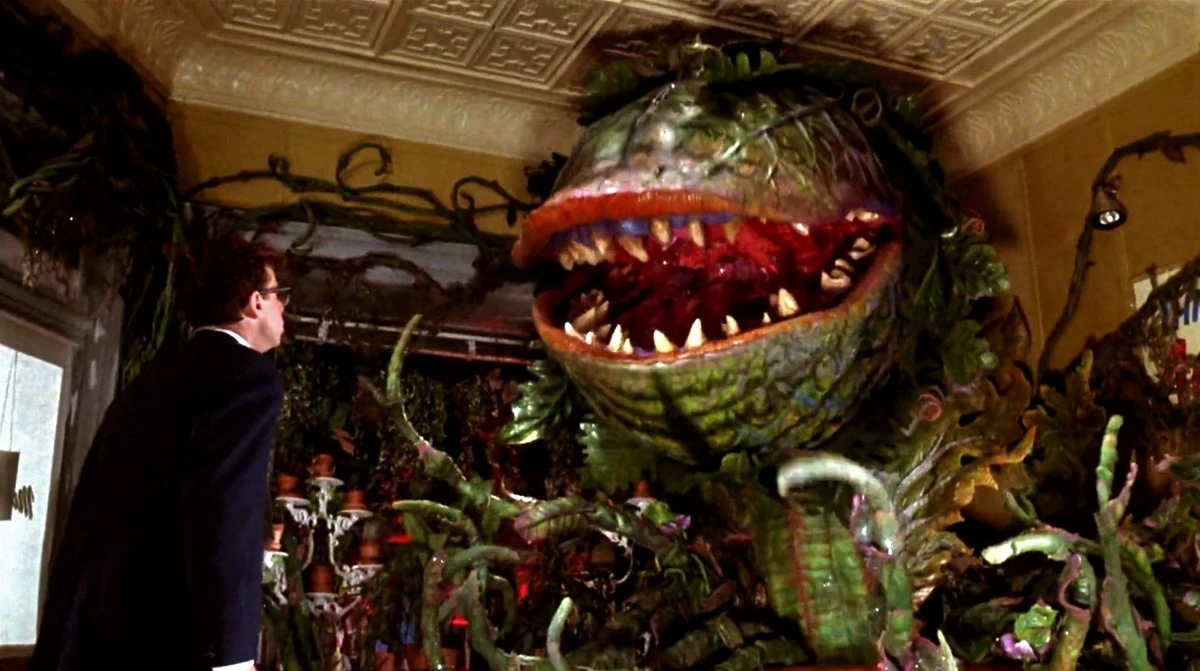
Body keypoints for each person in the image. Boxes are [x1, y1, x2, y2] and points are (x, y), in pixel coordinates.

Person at [29, 234, 289, 671]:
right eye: (280, 295)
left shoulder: (155, 376)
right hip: (169, 639)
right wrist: (231, 654)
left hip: (100, 632)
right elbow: (227, 511)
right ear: (254, 303)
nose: (284, 307)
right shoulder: (248, 379)